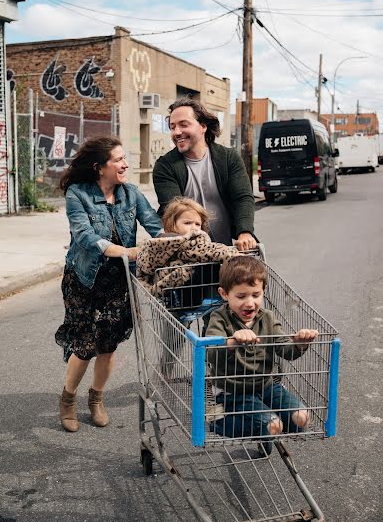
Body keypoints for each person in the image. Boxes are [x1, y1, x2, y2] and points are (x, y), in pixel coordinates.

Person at [55, 136, 162, 432]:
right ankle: (68, 400)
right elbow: (85, 236)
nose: (124, 163)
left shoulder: (131, 193)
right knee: (85, 345)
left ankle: (96, 399)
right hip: (85, 280)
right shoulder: (79, 194)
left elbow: (154, 225)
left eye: (124, 157)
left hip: (118, 282)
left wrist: (180, 242)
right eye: (117, 159)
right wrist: (124, 251)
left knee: (108, 346)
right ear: (99, 167)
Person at [205, 255, 319, 446]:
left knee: (302, 418)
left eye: (255, 295)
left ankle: (267, 423)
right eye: (241, 296)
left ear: (263, 291)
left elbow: (285, 349)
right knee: (273, 426)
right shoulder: (219, 318)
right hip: (234, 391)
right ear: (224, 294)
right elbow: (211, 352)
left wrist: (300, 342)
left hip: (265, 385)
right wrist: (233, 341)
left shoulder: (267, 318)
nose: (250, 303)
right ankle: (219, 422)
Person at [153, 97, 257, 250]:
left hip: (228, 250)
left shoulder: (228, 158)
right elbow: (173, 210)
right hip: (187, 254)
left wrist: (245, 232)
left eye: (183, 125)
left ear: (203, 126)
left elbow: (242, 198)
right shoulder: (165, 166)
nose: (177, 132)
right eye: (172, 127)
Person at [136, 197, 237, 298]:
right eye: (188, 223)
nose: (194, 227)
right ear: (172, 224)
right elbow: (208, 251)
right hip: (177, 291)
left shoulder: (162, 241)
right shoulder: (176, 242)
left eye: (198, 224)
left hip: (176, 289)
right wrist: (236, 255)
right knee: (209, 265)